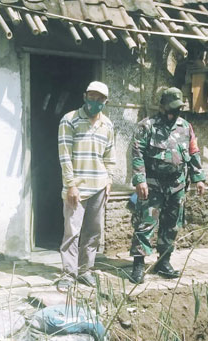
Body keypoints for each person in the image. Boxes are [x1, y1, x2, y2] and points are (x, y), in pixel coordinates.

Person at [128, 87, 206, 284]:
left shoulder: (186, 127)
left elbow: (193, 152)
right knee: (145, 224)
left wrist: (199, 178)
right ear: (161, 107)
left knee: (171, 225)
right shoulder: (147, 126)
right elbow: (137, 153)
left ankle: (164, 262)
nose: (174, 113)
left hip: (177, 185)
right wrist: (140, 180)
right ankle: (138, 265)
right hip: (152, 185)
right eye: (171, 108)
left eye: (178, 109)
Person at [57, 81, 115, 290]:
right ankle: (68, 274)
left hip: (99, 186)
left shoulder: (108, 125)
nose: (95, 102)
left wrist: (109, 180)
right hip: (77, 189)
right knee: (72, 231)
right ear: (84, 96)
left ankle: (85, 270)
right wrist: (71, 185)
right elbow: (64, 156)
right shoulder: (69, 120)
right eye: (92, 97)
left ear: (105, 102)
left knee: (93, 232)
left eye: (100, 99)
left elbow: (110, 156)